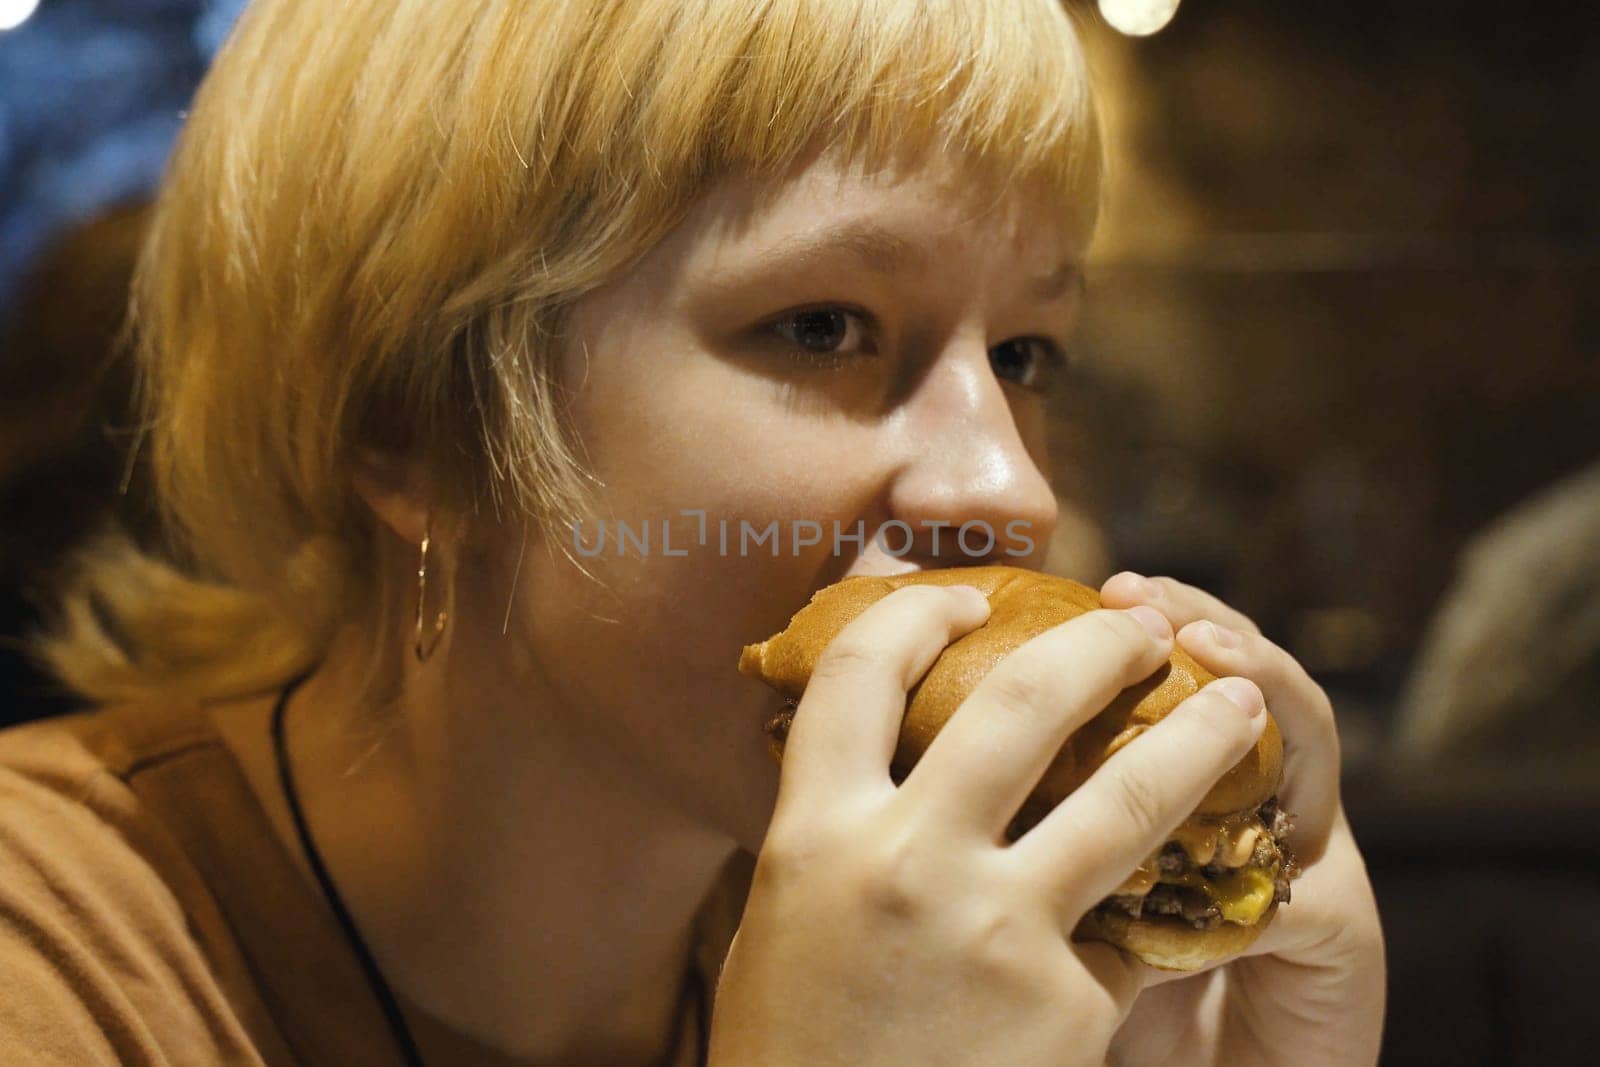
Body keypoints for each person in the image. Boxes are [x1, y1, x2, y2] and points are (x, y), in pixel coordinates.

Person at [0, 1, 1385, 1063]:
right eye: (826, 326)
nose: (1011, 487)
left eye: (1025, 352)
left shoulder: (974, 961)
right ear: (412, 431)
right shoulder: (54, 959)